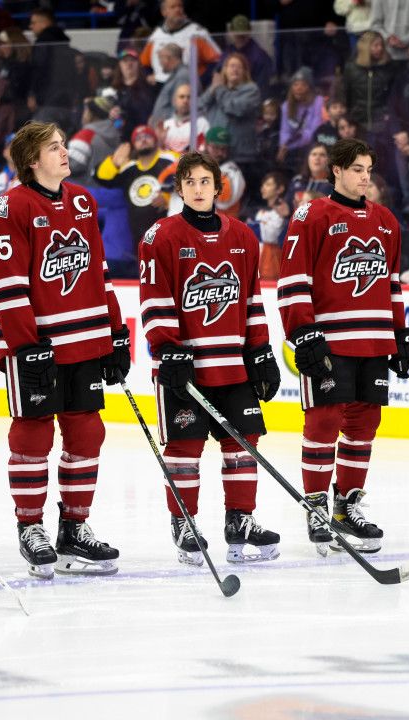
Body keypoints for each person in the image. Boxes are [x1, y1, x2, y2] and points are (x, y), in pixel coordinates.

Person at [0, 121, 130, 579]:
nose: (64, 152)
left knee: (87, 434)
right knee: (33, 435)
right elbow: (4, 284)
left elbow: (97, 272)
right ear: (31, 161)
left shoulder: (82, 200)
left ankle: (74, 528)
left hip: (85, 341)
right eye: (53, 147)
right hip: (38, 347)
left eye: (63, 145)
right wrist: (26, 346)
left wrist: (115, 332)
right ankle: (30, 528)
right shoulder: (9, 207)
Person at [138, 151, 281, 566]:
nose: (198, 189)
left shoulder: (242, 236)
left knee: (243, 445)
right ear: (179, 188)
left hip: (233, 366)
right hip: (185, 368)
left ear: (218, 187)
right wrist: (166, 348)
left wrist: (260, 351)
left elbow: (252, 299)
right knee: (184, 448)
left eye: (205, 181)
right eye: (190, 182)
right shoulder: (161, 236)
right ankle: (184, 520)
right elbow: (154, 299)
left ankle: (240, 519)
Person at [277, 137, 409, 554]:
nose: (364, 178)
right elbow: (293, 281)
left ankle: (347, 506)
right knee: (323, 423)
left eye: (369, 171)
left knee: (363, 427)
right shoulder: (312, 215)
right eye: (357, 169)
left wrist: (401, 333)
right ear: (335, 171)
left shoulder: (387, 221)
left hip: (373, 342)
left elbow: (392, 284)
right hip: (329, 343)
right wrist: (302, 331)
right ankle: (317, 507)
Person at [96, 125, 179, 275]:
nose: (143, 140)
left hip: (168, 232)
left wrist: (167, 196)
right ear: (133, 144)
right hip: (139, 236)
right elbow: (102, 178)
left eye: (147, 136)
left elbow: (190, 172)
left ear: (155, 139)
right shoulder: (129, 168)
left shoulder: (168, 158)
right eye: (138, 138)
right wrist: (114, 162)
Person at [139, 0, 220, 84]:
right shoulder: (156, 36)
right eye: (173, 7)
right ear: (164, 12)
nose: (177, 10)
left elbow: (216, 61)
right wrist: (148, 76)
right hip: (161, 87)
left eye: (180, 6)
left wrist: (201, 80)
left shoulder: (196, 33)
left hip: (189, 87)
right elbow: (144, 64)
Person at [158, 83, 208, 153]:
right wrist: (160, 142)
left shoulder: (202, 123)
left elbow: (203, 153)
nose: (185, 101)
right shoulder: (165, 125)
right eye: (181, 97)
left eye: (189, 97)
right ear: (174, 101)